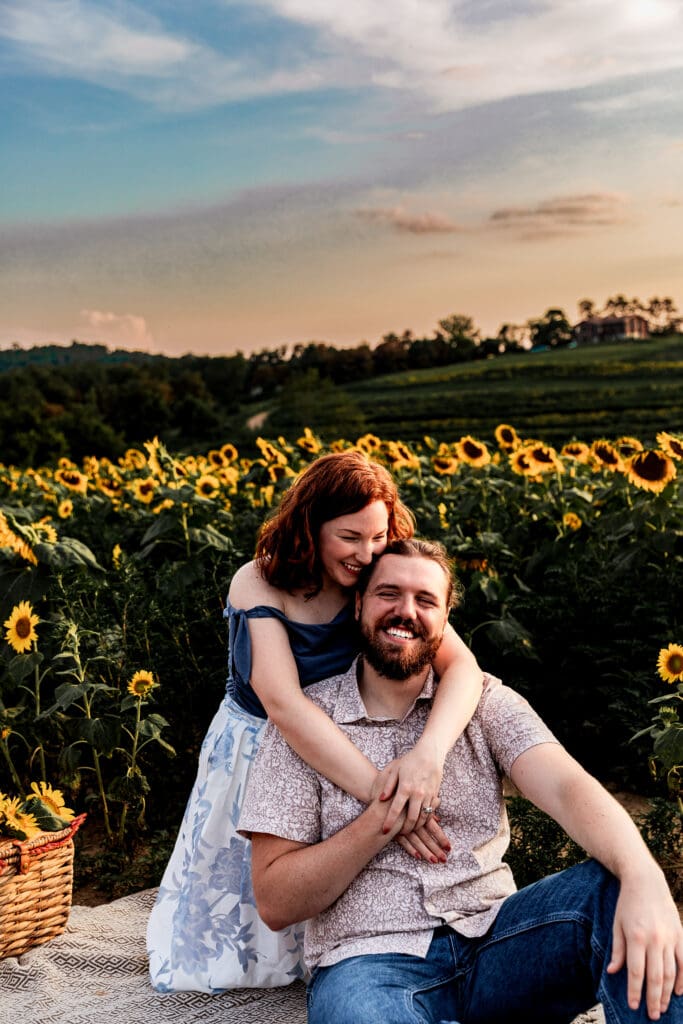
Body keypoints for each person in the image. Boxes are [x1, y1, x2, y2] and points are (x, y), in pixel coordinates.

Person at [239, 538, 683, 1024]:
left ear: (446, 616)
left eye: (426, 600)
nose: (406, 611)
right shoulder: (304, 727)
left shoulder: (484, 702)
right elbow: (276, 900)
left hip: (499, 941)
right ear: (359, 604)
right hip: (368, 964)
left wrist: (645, 874)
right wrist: (385, 817)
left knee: (614, 892)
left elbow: (566, 787)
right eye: (388, 593)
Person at [147, 451, 483, 993]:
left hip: (341, 743)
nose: (367, 553)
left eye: (378, 537)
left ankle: (346, 958)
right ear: (310, 526)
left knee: (343, 860)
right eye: (350, 537)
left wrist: (429, 753)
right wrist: (389, 800)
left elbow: (464, 666)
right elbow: (284, 705)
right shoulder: (259, 581)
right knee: (256, 882)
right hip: (260, 746)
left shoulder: (373, 584)